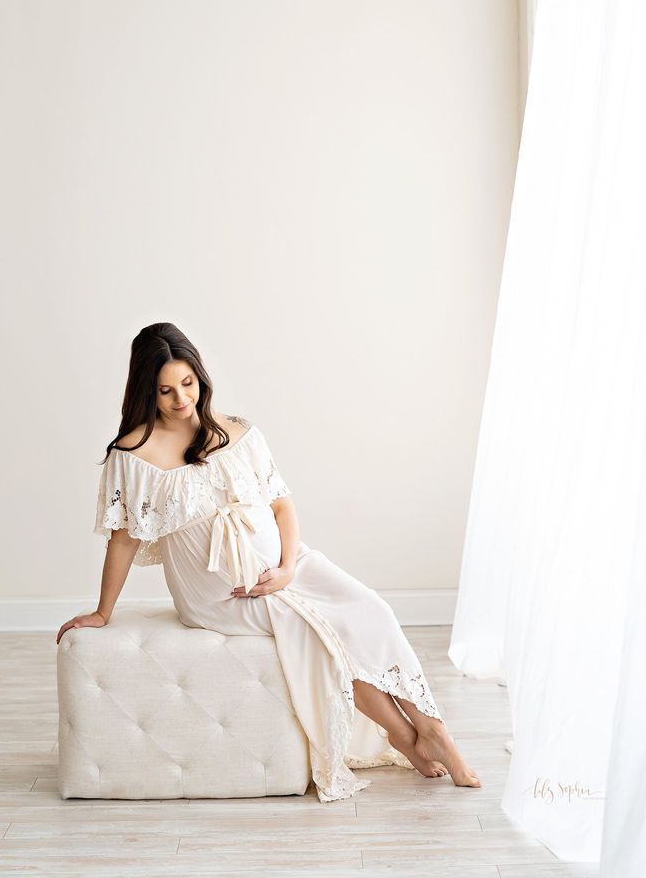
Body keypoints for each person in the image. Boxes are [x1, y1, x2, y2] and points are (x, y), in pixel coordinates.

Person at [57, 322, 481, 801]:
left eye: (189, 383)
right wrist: (102, 611)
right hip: (220, 593)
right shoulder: (133, 454)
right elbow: (123, 541)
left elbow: (282, 506)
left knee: (371, 611)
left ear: (200, 376)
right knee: (322, 636)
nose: (181, 400)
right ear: (145, 391)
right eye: (166, 390)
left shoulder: (238, 432)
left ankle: (434, 730)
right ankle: (409, 739)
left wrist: (287, 569)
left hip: (286, 564)